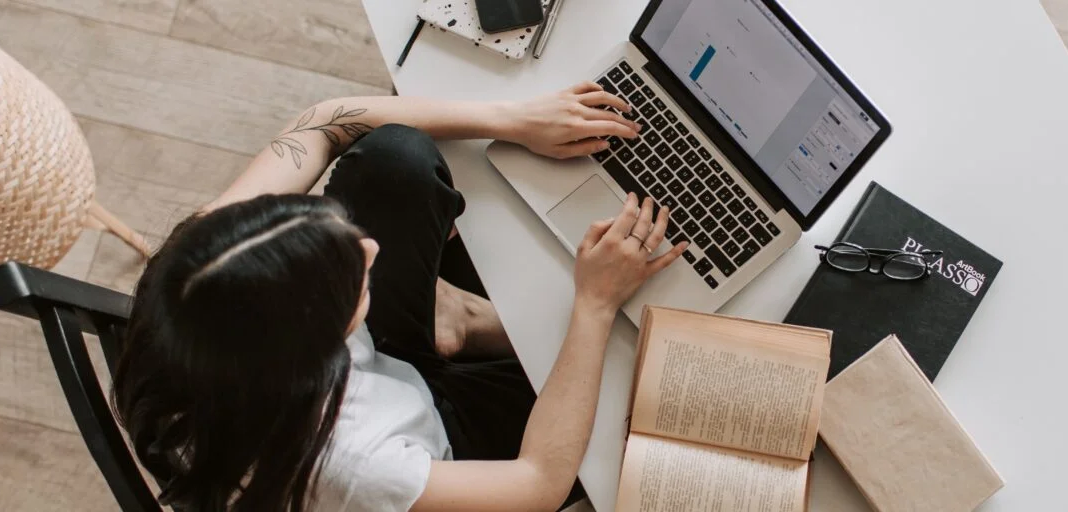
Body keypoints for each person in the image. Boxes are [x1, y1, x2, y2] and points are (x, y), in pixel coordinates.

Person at [111, 83, 689, 512]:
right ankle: (464, 324)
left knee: (394, 157)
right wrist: (593, 304)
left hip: (372, 375)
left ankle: (455, 319)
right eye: (351, 274)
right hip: (438, 438)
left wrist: (513, 119)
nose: (368, 248)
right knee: (629, 400)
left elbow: (320, 124)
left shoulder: (204, 260)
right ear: (319, 348)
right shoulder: (356, 464)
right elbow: (538, 483)